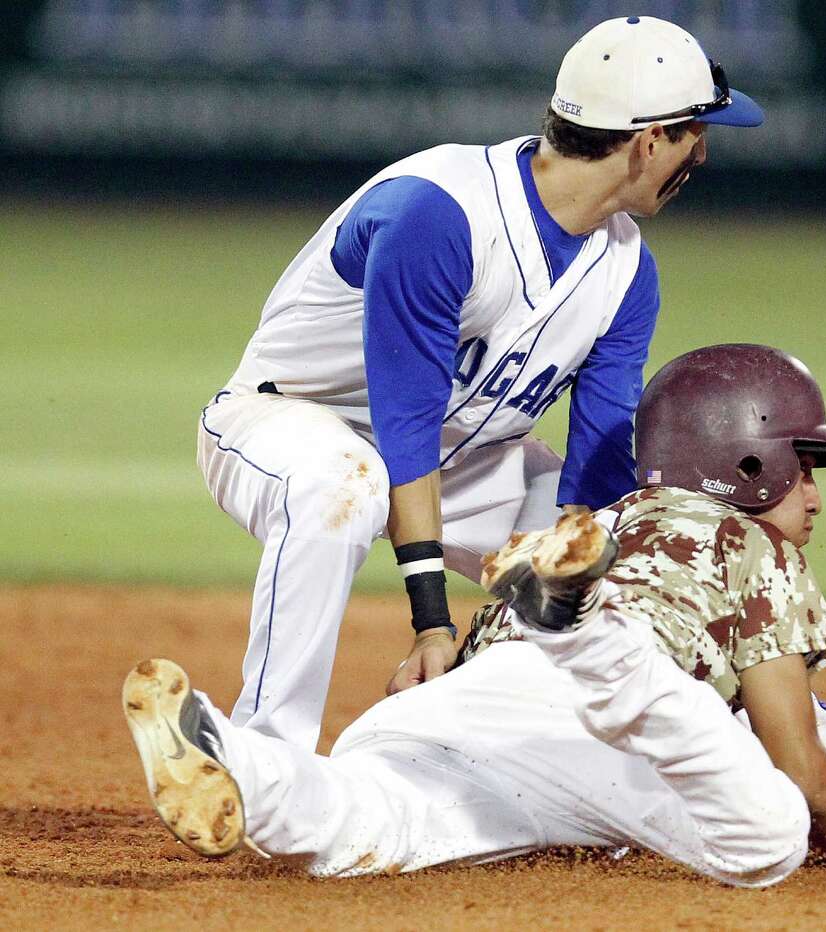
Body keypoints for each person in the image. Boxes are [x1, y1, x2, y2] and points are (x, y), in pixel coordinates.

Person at [124, 344, 826, 884]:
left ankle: (231, 751)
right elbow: (791, 742)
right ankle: (587, 640)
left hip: (468, 711)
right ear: (746, 464)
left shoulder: (598, 523)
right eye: (805, 464)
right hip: (608, 715)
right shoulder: (753, 546)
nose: (815, 494)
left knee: (368, 819)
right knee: (773, 838)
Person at [196, 16, 765, 749]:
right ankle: (261, 756)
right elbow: (405, 422)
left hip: (467, 469)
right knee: (344, 485)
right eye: (696, 132)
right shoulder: (442, 211)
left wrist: (570, 583)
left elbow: (597, 463)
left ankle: (813, 764)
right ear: (650, 140)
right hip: (288, 425)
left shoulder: (626, 271)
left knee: (632, 558)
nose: (703, 153)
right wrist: (432, 620)